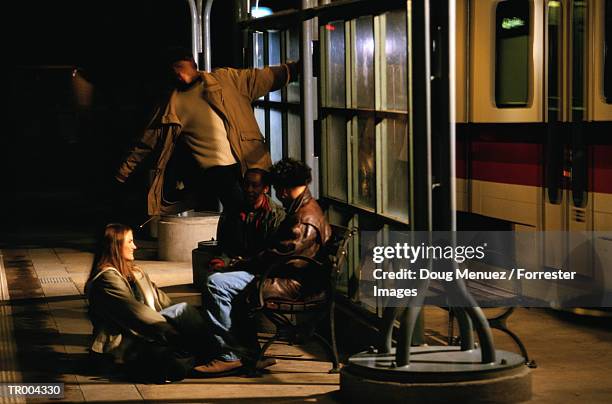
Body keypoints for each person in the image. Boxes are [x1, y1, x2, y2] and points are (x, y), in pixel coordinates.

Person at [114, 47, 299, 216]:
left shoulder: (225, 80)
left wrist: (295, 69)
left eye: (181, 66)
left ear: (194, 65)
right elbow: (147, 141)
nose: (178, 73)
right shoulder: (171, 104)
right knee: (239, 208)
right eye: (174, 69)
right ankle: (237, 249)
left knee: (256, 208)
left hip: (247, 159)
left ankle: (238, 247)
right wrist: (123, 172)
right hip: (216, 168)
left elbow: (261, 77)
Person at [195, 158, 331, 376]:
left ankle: (229, 356)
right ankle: (247, 353)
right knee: (225, 280)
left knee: (216, 284)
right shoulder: (306, 209)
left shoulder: (303, 218)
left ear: (283, 190)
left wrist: (243, 264)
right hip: (288, 276)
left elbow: (279, 255)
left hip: (292, 283)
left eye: (277, 189)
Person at [86, 223, 210, 382]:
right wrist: (171, 330)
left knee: (184, 311)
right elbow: (134, 311)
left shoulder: (135, 272)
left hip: (146, 334)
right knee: (176, 364)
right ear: (116, 246)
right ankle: (214, 354)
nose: (135, 246)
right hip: (123, 346)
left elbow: (162, 300)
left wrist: (181, 323)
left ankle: (216, 353)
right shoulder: (106, 279)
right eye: (130, 242)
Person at [209, 168, 286, 271]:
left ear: (265, 188)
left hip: (262, 268)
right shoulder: (231, 211)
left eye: (255, 186)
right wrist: (221, 261)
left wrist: (246, 263)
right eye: (246, 185)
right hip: (234, 264)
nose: (249, 190)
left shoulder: (276, 215)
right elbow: (225, 246)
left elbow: (274, 252)